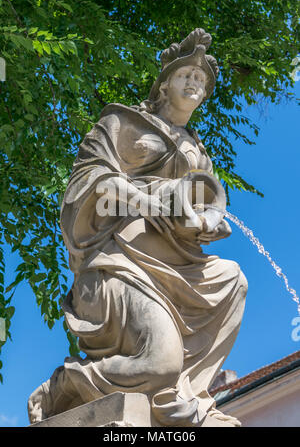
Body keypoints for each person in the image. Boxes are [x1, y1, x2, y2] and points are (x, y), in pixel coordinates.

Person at [28, 28, 248, 427]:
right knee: (160, 363)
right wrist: (147, 201)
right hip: (118, 262)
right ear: (164, 84)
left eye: (201, 80)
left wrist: (206, 225)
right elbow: (89, 180)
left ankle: (184, 396)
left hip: (175, 265)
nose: (194, 83)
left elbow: (205, 211)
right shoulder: (122, 122)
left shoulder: (199, 156)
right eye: (187, 75)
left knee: (233, 279)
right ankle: (66, 384)